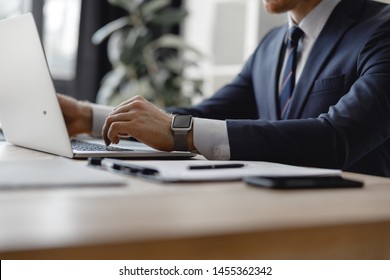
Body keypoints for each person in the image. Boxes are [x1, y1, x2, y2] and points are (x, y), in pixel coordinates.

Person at [58, 0, 390, 177]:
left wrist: (181, 133)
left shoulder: (381, 31)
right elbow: (207, 115)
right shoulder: (272, 45)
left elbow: (337, 138)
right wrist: (90, 118)